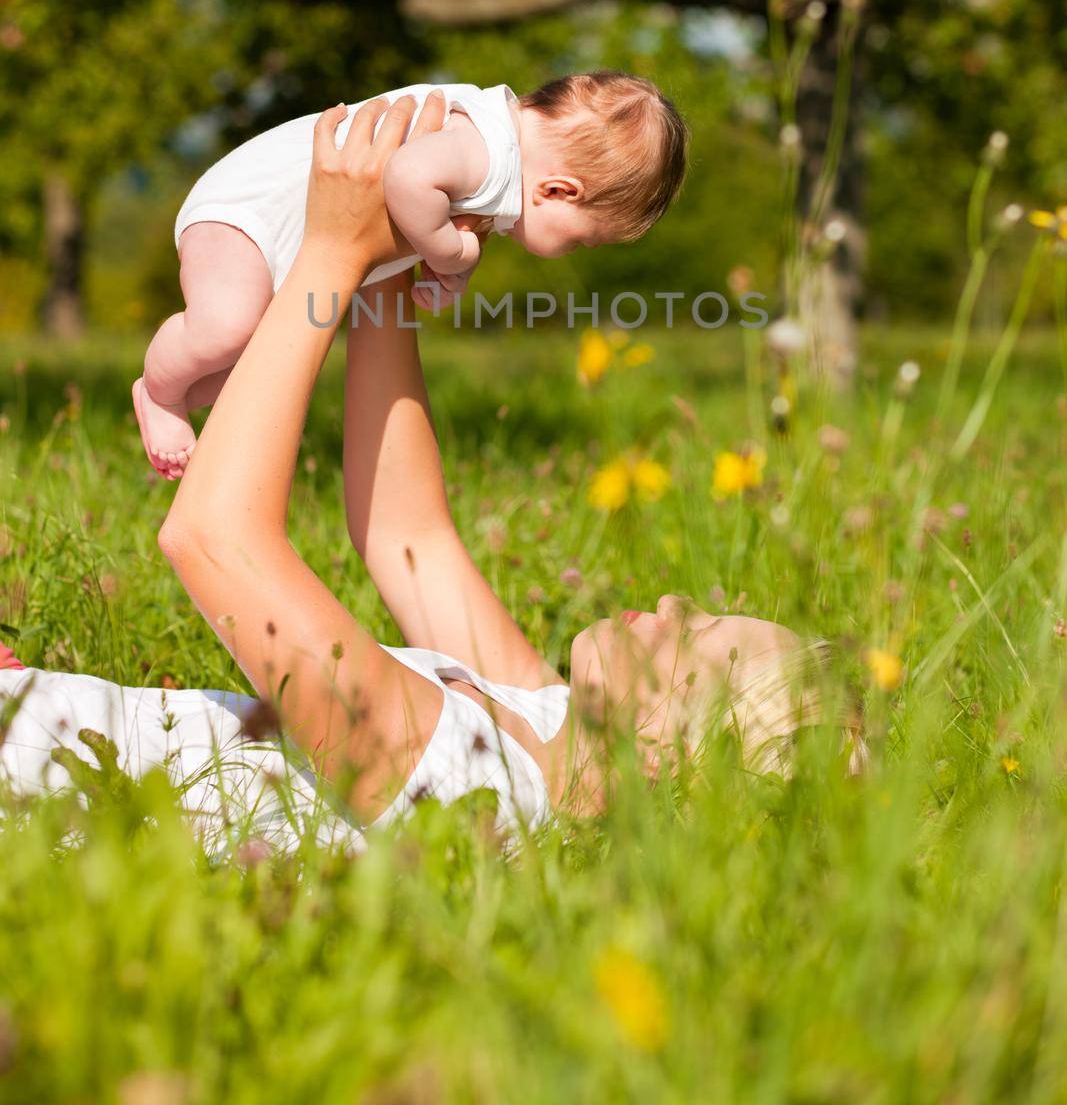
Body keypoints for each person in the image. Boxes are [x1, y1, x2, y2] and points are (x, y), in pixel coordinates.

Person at [0, 95, 843, 859]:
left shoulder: (474, 791)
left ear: (661, 754)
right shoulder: (545, 722)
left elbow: (213, 539)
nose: (674, 605)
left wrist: (329, 253)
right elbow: (410, 537)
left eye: (694, 638)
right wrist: (385, 265)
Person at [133, 72, 689, 478]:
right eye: (585, 237)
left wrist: (445, 268)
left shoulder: (496, 142)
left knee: (257, 364)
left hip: (287, 231)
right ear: (560, 191)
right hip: (249, 211)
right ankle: (160, 392)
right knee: (225, 329)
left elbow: (423, 209)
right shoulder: (490, 153)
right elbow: (406, 176)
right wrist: (450, 254)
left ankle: (173, 389)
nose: (577, 250)